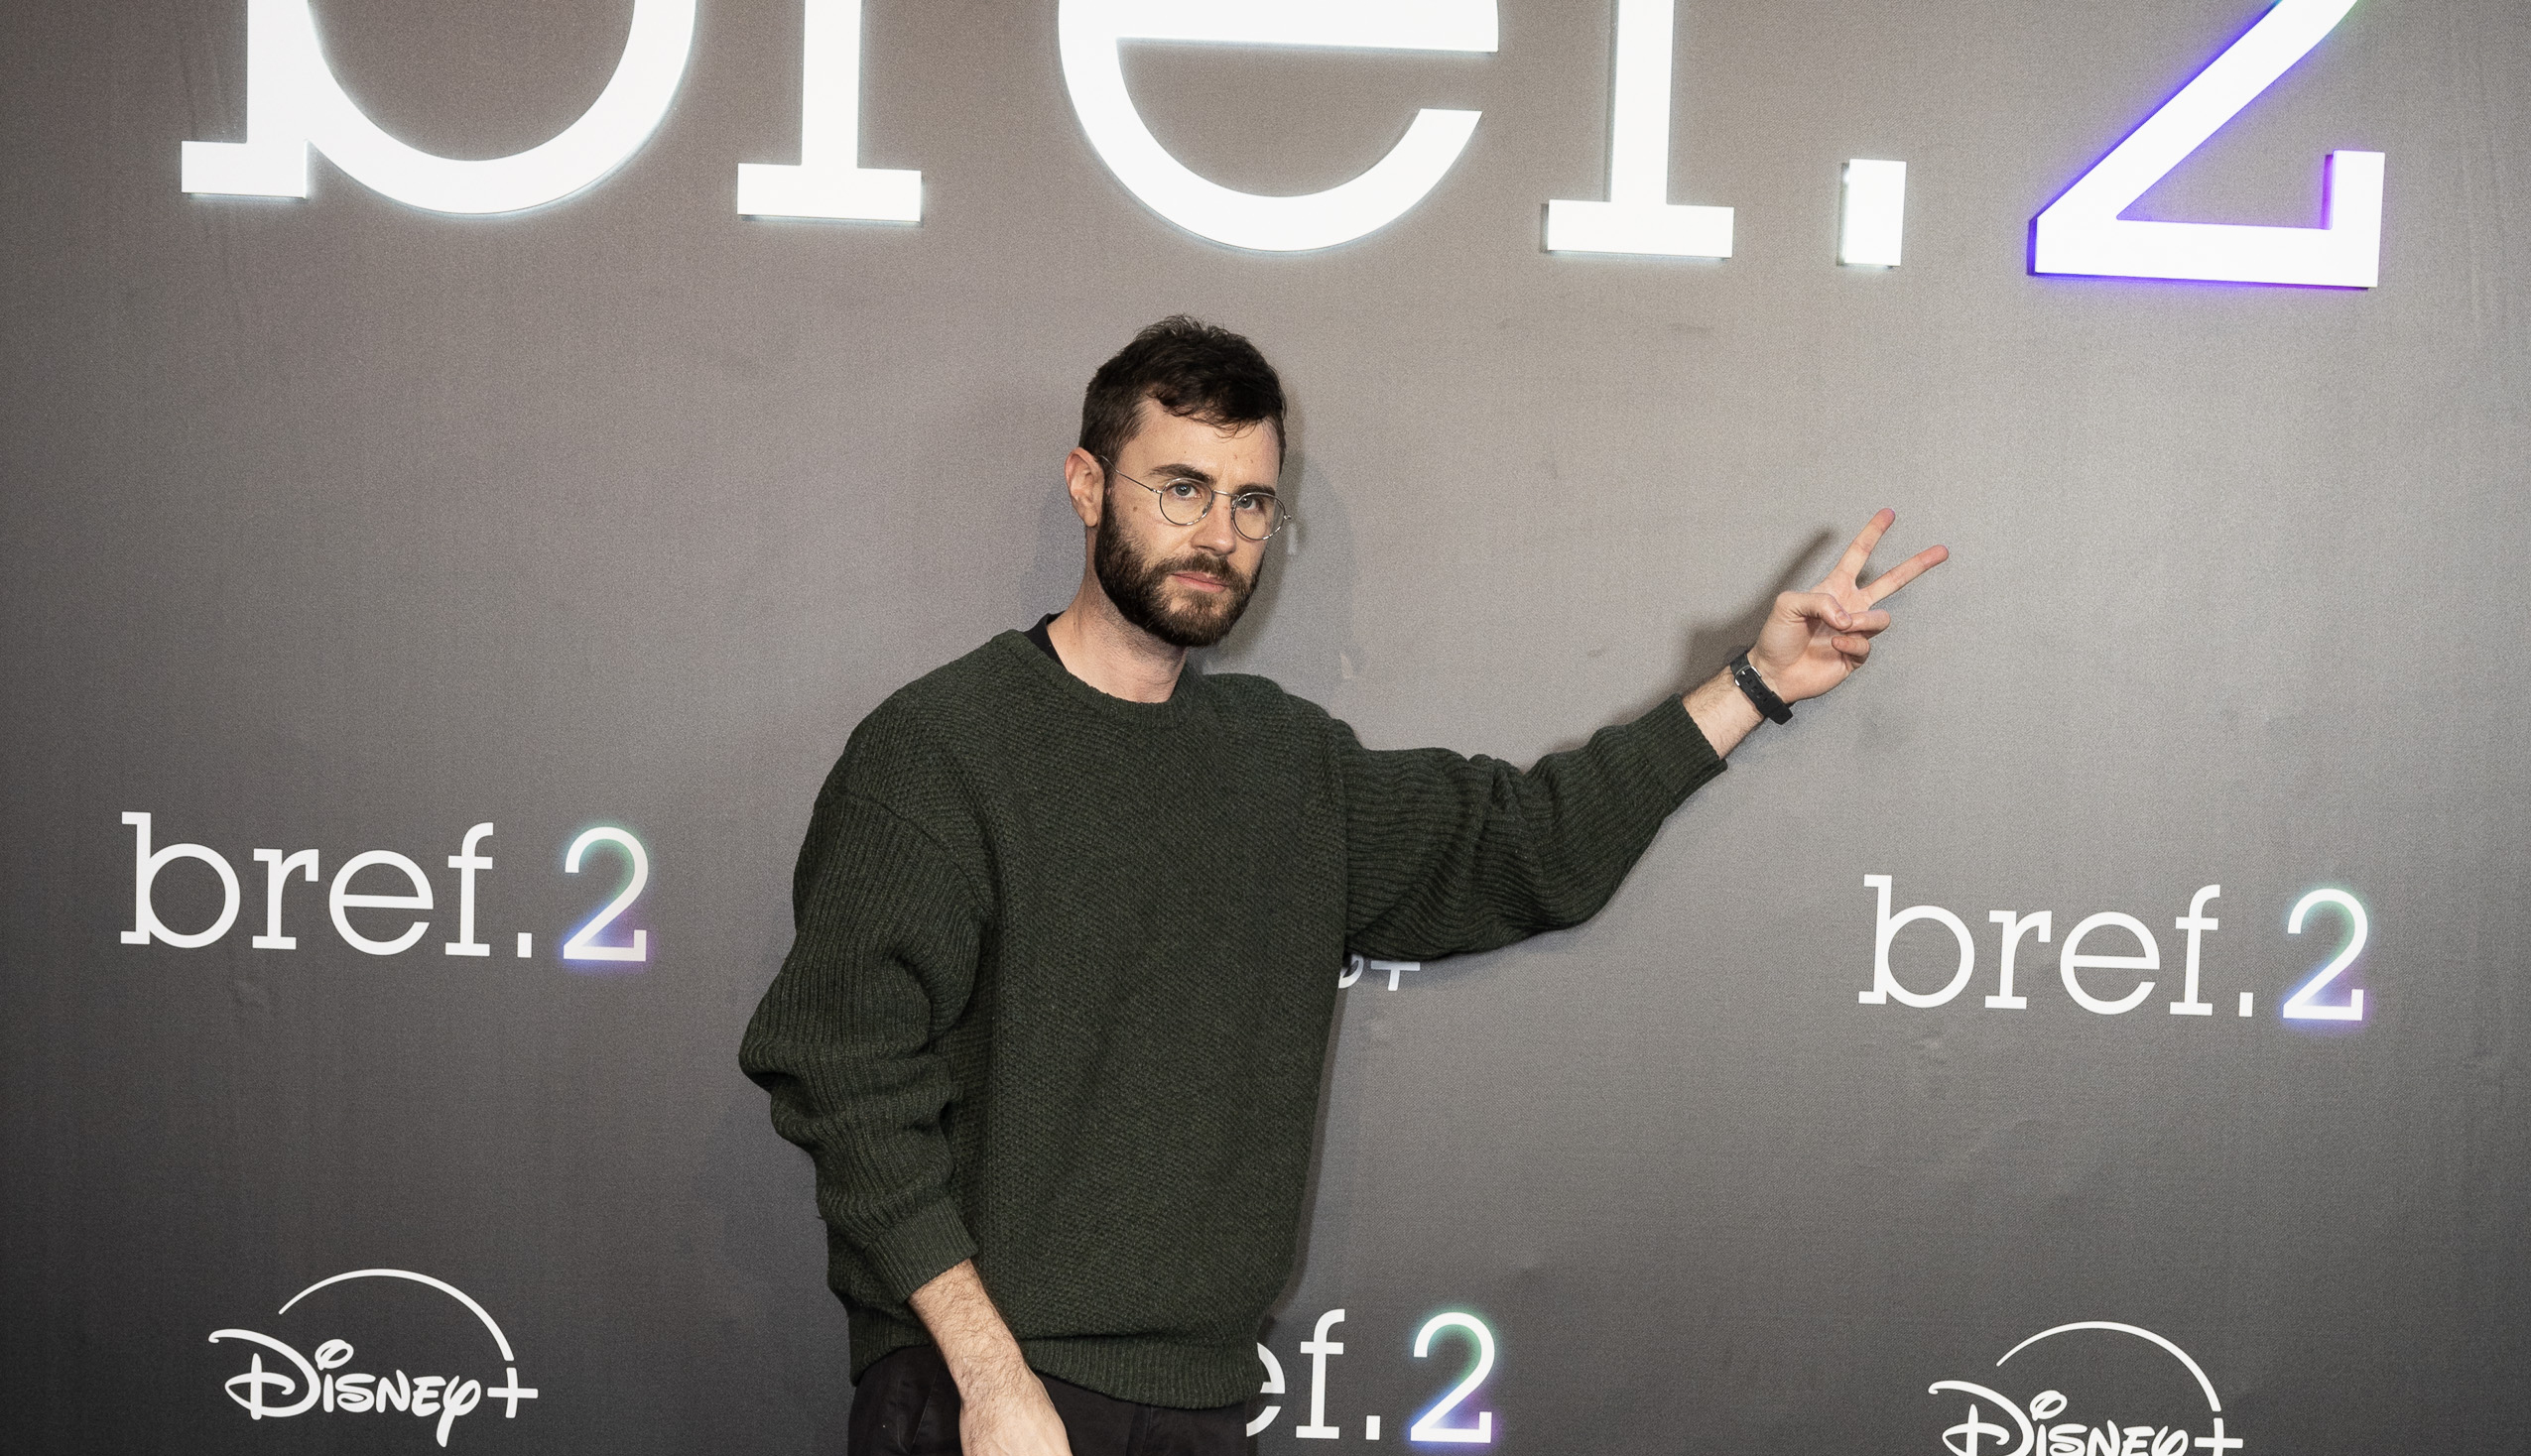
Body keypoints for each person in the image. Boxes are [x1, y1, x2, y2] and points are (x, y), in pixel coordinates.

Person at [739, 316, 1946, 1456]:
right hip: (986, 1397)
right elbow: (844, 1071)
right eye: (1181, 488)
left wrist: (1756, 683)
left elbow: (1531, 847)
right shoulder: (942, 750)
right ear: (1088, 485)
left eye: (1251, 501)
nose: (1217, 533)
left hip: (1204, 1401)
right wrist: (989, 1378)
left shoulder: (1285, 762)